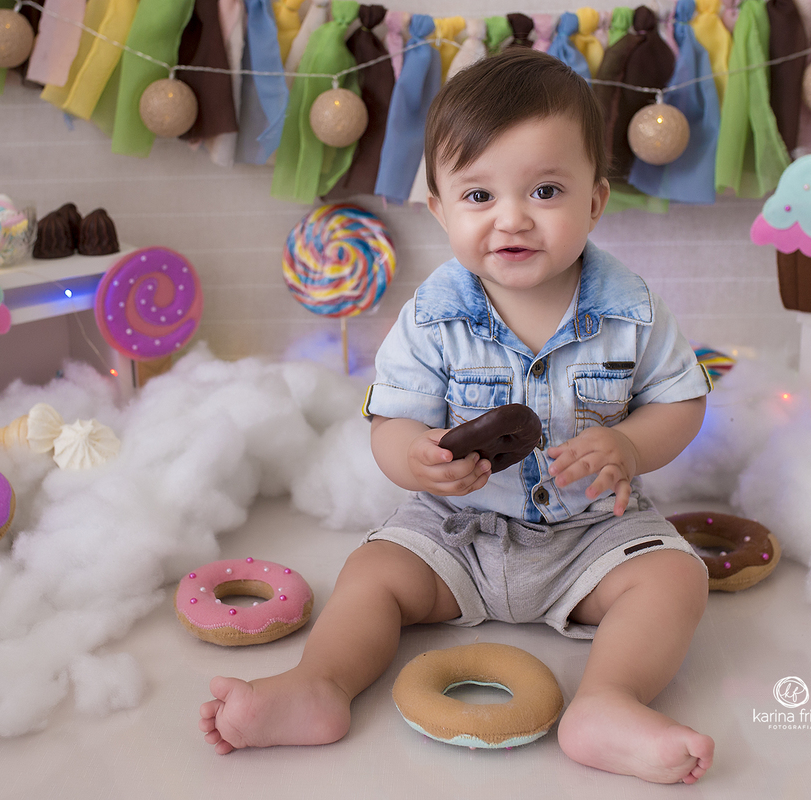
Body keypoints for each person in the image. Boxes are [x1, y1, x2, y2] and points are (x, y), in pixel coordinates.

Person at [201, 48, 715, 785]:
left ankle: (607, 702)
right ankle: (319, 686)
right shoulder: (432, 318)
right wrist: (416, 458)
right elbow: (392, 425)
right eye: (478, 196)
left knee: (675, 580)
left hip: (595, 533)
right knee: (372, 570)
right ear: (438, 208)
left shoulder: (631, 310)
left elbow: (681, 401)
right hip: (458, 535)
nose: (513, 219)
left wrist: (629, 446)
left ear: (595, 202)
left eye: (544, 190)